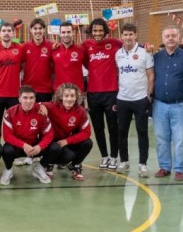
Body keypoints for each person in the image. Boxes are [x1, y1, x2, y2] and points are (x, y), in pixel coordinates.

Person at [152, 26, 183, 182]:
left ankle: (179, 169)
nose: (170, 38)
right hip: (159, 104)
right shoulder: (156, 58)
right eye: (167, 36)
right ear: (163, 39)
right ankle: (164, 167)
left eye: (173, 36)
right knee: (161, 138)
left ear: (179, 38)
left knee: (181, 139)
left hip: (181, 105)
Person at [82, 18, 122, 171]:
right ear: (91, 32)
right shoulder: (86, 46)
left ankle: (113, 156)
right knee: (98, 128)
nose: (97, 34)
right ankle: (104, 156)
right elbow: (86, 63)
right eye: (94, 31)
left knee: (113, 127)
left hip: (111, 93)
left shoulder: (114, 43)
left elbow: (128, 46)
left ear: (105, 31)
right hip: (93, 94)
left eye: (100, 31)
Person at [114, 23, 154, 177]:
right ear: (121, 36)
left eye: (131, 34)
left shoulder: (145, 53)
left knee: (142, 132)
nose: (128, 37)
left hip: (140, 99)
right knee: (121, 132)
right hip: (122, 99)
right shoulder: (118, 54)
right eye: (125, 34)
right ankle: (124, 161)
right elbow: (119, 74)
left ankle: (143, 164)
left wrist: (149, 95)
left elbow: (151, 74)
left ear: (136, 35)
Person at [0, 85, 60, 185]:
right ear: (19, 99)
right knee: (6, 149)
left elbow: (49, 134)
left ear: (35, 99)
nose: (28, 101)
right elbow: (7, 136)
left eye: (31, 98)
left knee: (55, 147)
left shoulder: (41, 111)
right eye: (25, 98)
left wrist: (40, 147)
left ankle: (39, 168)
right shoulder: (10, 112)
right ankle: (8, 170)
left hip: (34, 146)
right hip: (19, 147)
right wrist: (23, 145)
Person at [41, 83, 93, 181]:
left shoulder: (80, 111)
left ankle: (74, 165)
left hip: (66, 140)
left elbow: (86, 132)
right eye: (66, 96)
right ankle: (48, 164)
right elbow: (37, 104)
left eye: (72, 96)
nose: (69, 99)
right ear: (61, 96)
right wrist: (41, 106)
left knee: (88, 143)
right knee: (67, 155)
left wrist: (67, 141)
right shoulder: (52, 106)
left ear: (77, 97)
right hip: (52, 141)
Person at [0, 22, 23, 127]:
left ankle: (13, 144)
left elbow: (23, 66)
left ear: (13, 33)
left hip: (15, 95)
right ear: (0, 34)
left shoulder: (20, 49)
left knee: (15, 125)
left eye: (9, 31)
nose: (6, 33)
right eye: (4, 31)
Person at [22, 18, 53, 102]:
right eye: (35, 28)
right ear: (31, 30)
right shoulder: (24, 47)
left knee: (43, 114)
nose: (38, 31)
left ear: (44, 30)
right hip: (28, 89)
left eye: (40, 28)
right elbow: (20, 66)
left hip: (45, 89)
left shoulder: (52, 46)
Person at [52, 22, 85, 92]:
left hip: (77, 91)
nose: (66, 35)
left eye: (68, 32)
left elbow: (89, 66)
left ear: (73, 33)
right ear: (60, 34)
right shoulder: (54, 50)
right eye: (63, 32)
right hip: (59, 91)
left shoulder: (81, 49)